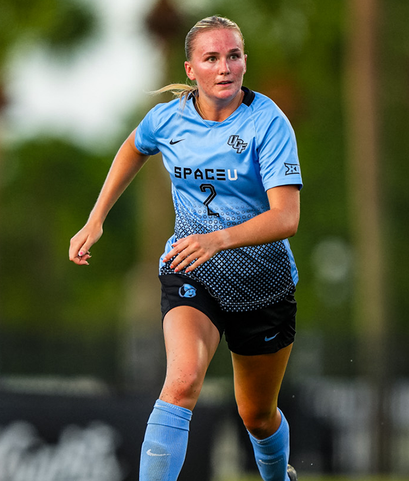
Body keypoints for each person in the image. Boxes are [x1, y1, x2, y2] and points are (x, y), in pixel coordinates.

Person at [68, 15, 302, 481]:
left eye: (232, 56)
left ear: (244, 62)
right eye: (211, 58)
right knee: (181, 381)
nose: (224, 67)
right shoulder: (169, 118)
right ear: (190, 69)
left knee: (257, 416)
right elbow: (133, 147)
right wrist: (96, 219)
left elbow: (287, 218)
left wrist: (218, 239)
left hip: (264, 286)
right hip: (191, 273)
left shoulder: (267, 123)